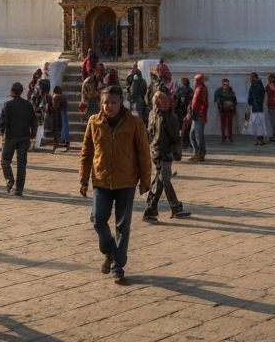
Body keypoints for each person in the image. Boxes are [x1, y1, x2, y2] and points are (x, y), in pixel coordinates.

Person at [78, 85, 151, 285]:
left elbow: (144, 153)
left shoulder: (134, 123)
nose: (109, 106)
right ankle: (109, 250)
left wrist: (145, 181)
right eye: (105, 102)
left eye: (113, 102)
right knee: (97, 219)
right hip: (101, 180)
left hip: (126, 181)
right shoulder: (94, 122)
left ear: (121, 103)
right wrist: (83, 179)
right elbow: (86, 152)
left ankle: (118, 266)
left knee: (122, 225)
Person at [143, 91, 189, 221]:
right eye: (164, 101)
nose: (168, 103)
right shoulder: (157, 115)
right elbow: (173, 138)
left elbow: (175, 137)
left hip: (163, 152)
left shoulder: (168, 116)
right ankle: (172, 207)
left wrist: (177, 153)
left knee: (162, 179)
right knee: (163, 179)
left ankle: (153, 209)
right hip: (159, 152)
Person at [0, 82, 37, 196]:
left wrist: (3, 134)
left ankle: (10, 180)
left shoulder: (7, 105)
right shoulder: (27, 105)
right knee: (21, 164)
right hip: (24, 137)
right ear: (21, 92)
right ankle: (19, 189)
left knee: (5, 161)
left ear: (12, 92)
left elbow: (2, 123)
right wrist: (32, 134)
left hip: (10, 137)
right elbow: (34, 122)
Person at [188, 73, 208, 162]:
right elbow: (194, 101)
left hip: (200, 114)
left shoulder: (202, 89)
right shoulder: (197, 88)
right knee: (192, 134)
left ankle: (201, 154)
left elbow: (202, 103)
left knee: (198, 135)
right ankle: (196, 152)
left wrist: (198, 112)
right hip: (195, 114)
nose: (195, 81)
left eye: (196, 80)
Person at [44, 86, 69, 152]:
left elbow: (48, 108)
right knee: (58, 132)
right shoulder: (62, 97)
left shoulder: (50, 96)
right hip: (59, 116)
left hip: (52, 117)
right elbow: (65, 106)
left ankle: (56, 146)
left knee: (56, 133)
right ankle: (60, 145)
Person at [213, 78, 238, 143]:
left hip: (230, 109)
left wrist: (233, 105)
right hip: (222, 109)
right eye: (225, 84)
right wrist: (221, 103)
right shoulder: (219, 90)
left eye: (227, 84)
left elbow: (234, 99)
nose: (226, 85)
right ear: (222, 84)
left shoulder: (231, 90)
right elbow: (215, 98)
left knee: (230, 124)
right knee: (223, 124)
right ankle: (223, 136)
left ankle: (230, 136)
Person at [246, 72, 266, 146]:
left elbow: (251, 95)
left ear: (254, 77)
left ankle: (260, 140)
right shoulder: (260, 84)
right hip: (258, 106)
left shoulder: (254, 85)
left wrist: (250, 102)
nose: (250, 79)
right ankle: (259, 139)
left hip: (256, 107)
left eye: (251, 77)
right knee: (259, 124)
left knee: (258, 124)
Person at [174, 77, 193, 148]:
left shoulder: (178, 90)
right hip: (188, 112)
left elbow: (176, 101)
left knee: (180, 128)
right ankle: (187, 142)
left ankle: (181, 143)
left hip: (180, 112)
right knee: (188, 128)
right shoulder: (191, 90)